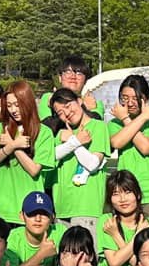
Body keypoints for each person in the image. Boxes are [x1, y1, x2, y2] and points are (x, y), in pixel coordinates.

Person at [0, 82, 54, 223]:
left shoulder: (44, 132)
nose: (13, 110)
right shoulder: (1, 128)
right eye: (9, 105)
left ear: (28, 102)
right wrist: (12, 146)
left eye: (17, 104)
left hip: (28, 208)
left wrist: (12, 145)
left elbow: (34, 169)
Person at [108, 74, 149, 217]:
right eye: (125, 98)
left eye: (135, 98)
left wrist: (127, 119)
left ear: (146, 98)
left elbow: (146, 147)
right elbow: (117, 142)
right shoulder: (115, 123)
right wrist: (137, 118)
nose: (130, 103)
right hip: (126, 194)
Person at [47, 87, 111, 219]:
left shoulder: (98, 127)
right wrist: (75, 141)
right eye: (60, 112)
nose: (67, 113)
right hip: (62, 208)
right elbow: (51, 156)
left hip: (87, 208)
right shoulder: (61, 133)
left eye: (68, 106)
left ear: (79, 101)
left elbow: (93, 164)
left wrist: (73, 141)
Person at [7, 191, 58, 266]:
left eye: (44, 214)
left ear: (52, 217)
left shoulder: (60, 232)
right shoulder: (14, 237)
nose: (38, 219)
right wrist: (41, 255)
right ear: (21, 216)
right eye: (32, 213)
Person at [36, 55, 101, 120]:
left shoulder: (95, 102)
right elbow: (47, 124)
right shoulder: (48, 98)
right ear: (60, 78)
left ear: (85, 80)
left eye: (79, 73)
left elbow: (95, 123)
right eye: (68, 72)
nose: (73, 76)